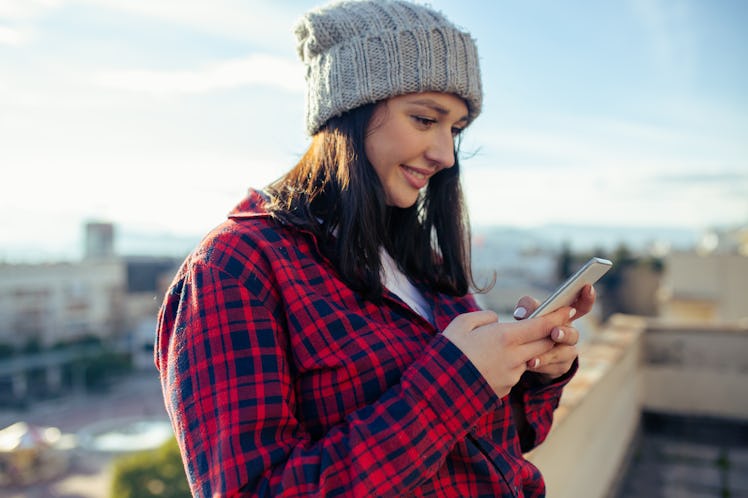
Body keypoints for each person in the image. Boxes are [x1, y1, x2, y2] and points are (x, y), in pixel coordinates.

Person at [154, 0, 596, 496]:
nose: (446, 155)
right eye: (426, 120)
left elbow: (488, 446)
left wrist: (536, 375)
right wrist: (454, 385)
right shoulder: (236, 270)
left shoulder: (421, 266)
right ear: (348, 109)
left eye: (455, 129)